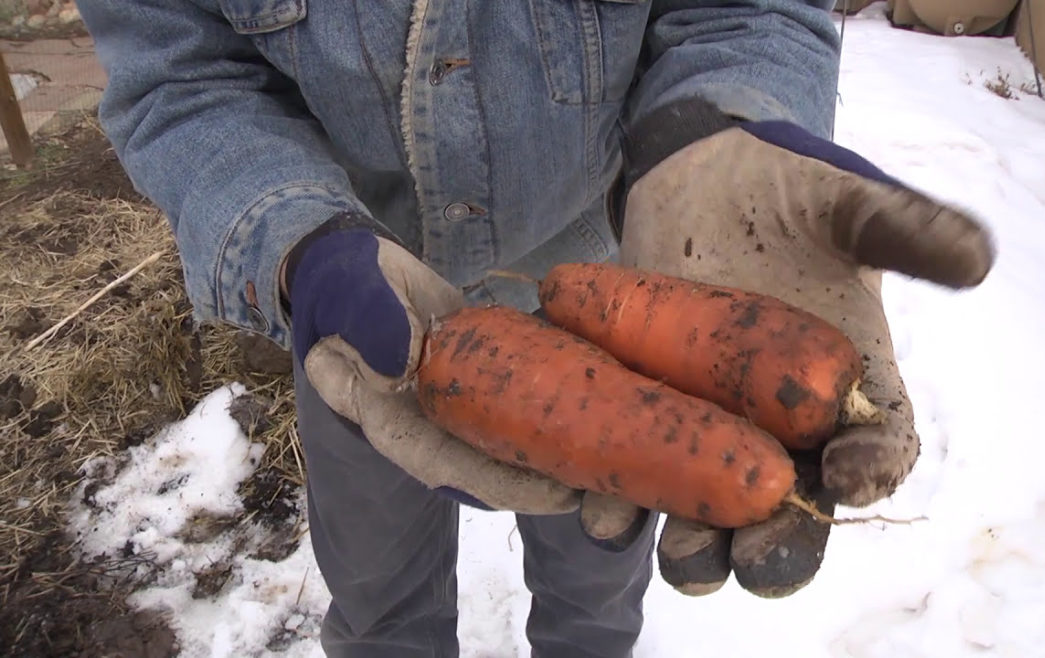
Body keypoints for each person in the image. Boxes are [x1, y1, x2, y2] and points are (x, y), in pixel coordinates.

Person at [78, 1, 994, 656]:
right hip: (357, 324)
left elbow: (745, 12)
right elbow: (178, 79)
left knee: (595, 609)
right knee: (380, 616)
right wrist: (292, 237)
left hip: (629, 299)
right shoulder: (342, 309)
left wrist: (711, 120)